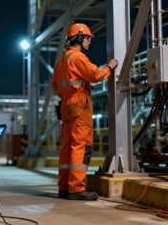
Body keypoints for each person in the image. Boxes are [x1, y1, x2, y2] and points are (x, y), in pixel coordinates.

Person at [51, 23, 118, 201]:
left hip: (66, 105)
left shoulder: (60, 61)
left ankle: (64, 188)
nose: (89, 42)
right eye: (88, 38)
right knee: (81, 146)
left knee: (67, 147)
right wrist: (110, 67)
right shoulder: (78, 58)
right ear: (79, 38)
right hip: (80, 104)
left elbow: (55, 86)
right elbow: (96, 75)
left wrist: (68, 96)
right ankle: (76, 188)